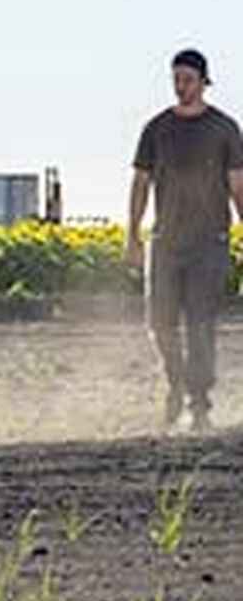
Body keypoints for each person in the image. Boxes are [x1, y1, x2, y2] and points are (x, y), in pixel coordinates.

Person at [126, 48, 243, 432]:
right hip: (166, 241)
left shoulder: (225, 129)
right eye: (176, 79)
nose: (181, 86)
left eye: (188, 79)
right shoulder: (156, 129)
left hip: (209, 242)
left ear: (203, 81)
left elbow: (237, 187)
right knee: (159, 323)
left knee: (200, 323)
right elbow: (141, 184)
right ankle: (175, 383)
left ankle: (200, 405)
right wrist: (133, 235)